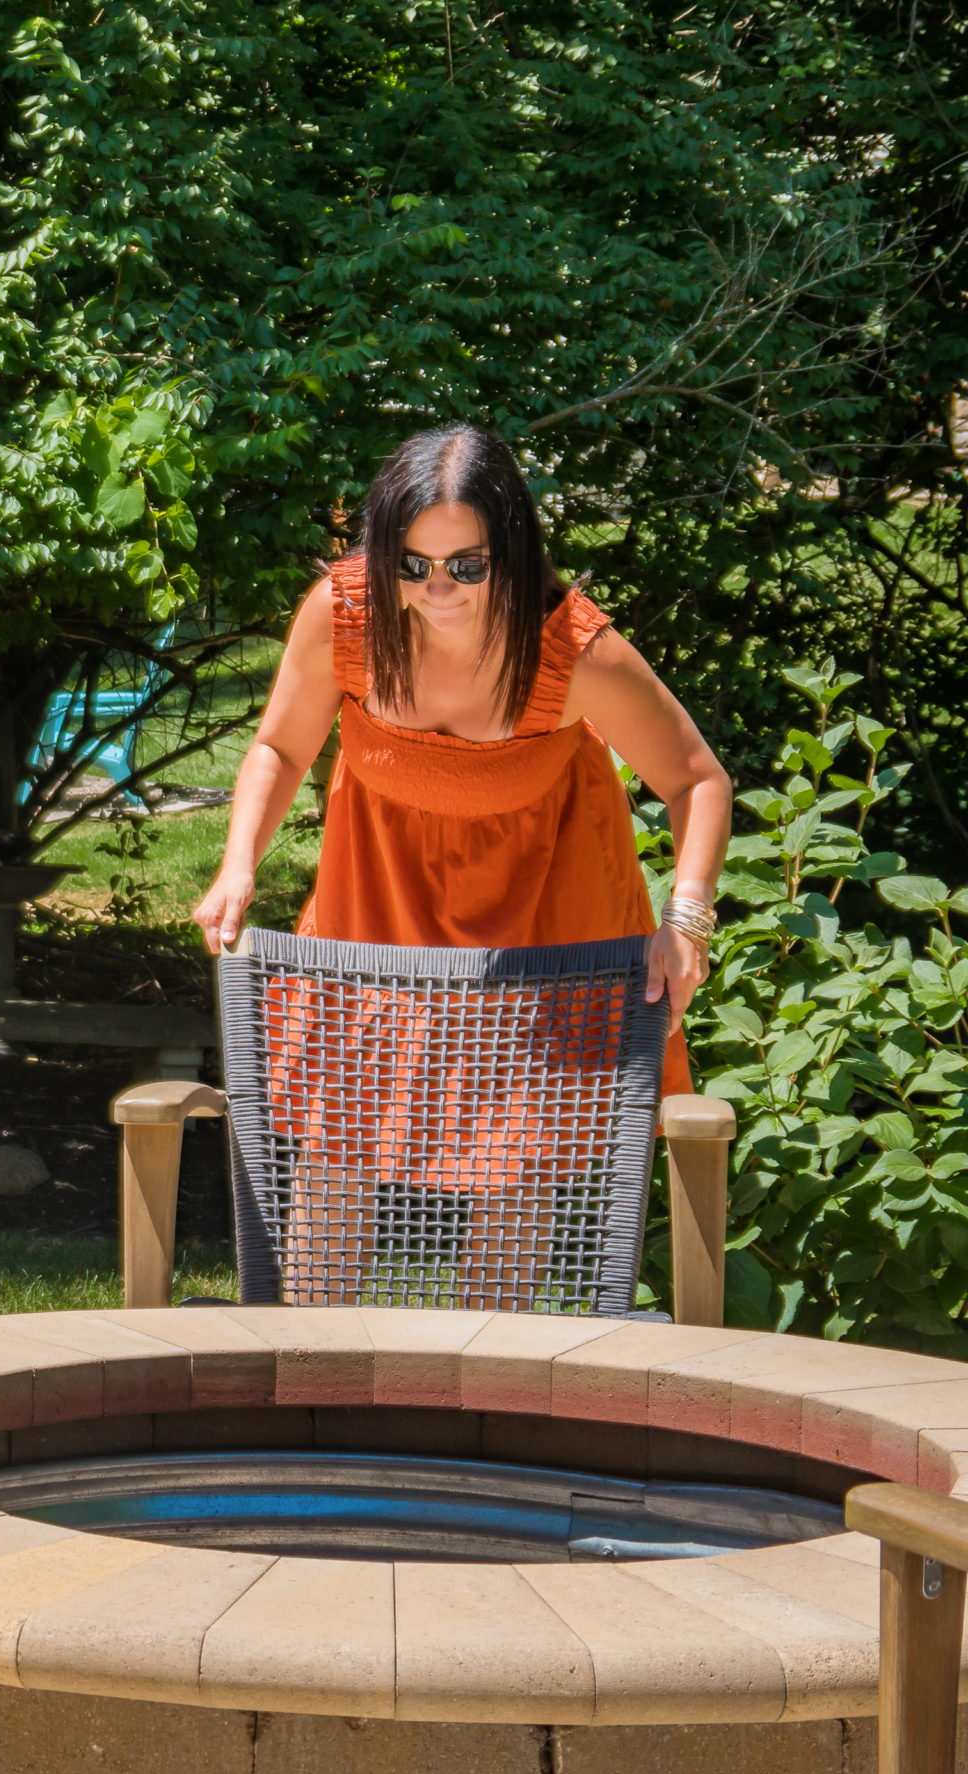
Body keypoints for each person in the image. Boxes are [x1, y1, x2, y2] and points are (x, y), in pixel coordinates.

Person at [192, 423, 730, 1301]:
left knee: (511, 1168)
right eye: (413, 565)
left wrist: (687, 921)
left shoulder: (572, 651)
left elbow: (699, 779)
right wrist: (238, 863)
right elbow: (280, 750)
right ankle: (303, 1396)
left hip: (537, 921)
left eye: (467, 567)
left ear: (511, 552)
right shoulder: (344, 615)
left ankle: (482, 1404)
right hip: (378, 902)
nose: (437, 591)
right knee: (336, 1148)